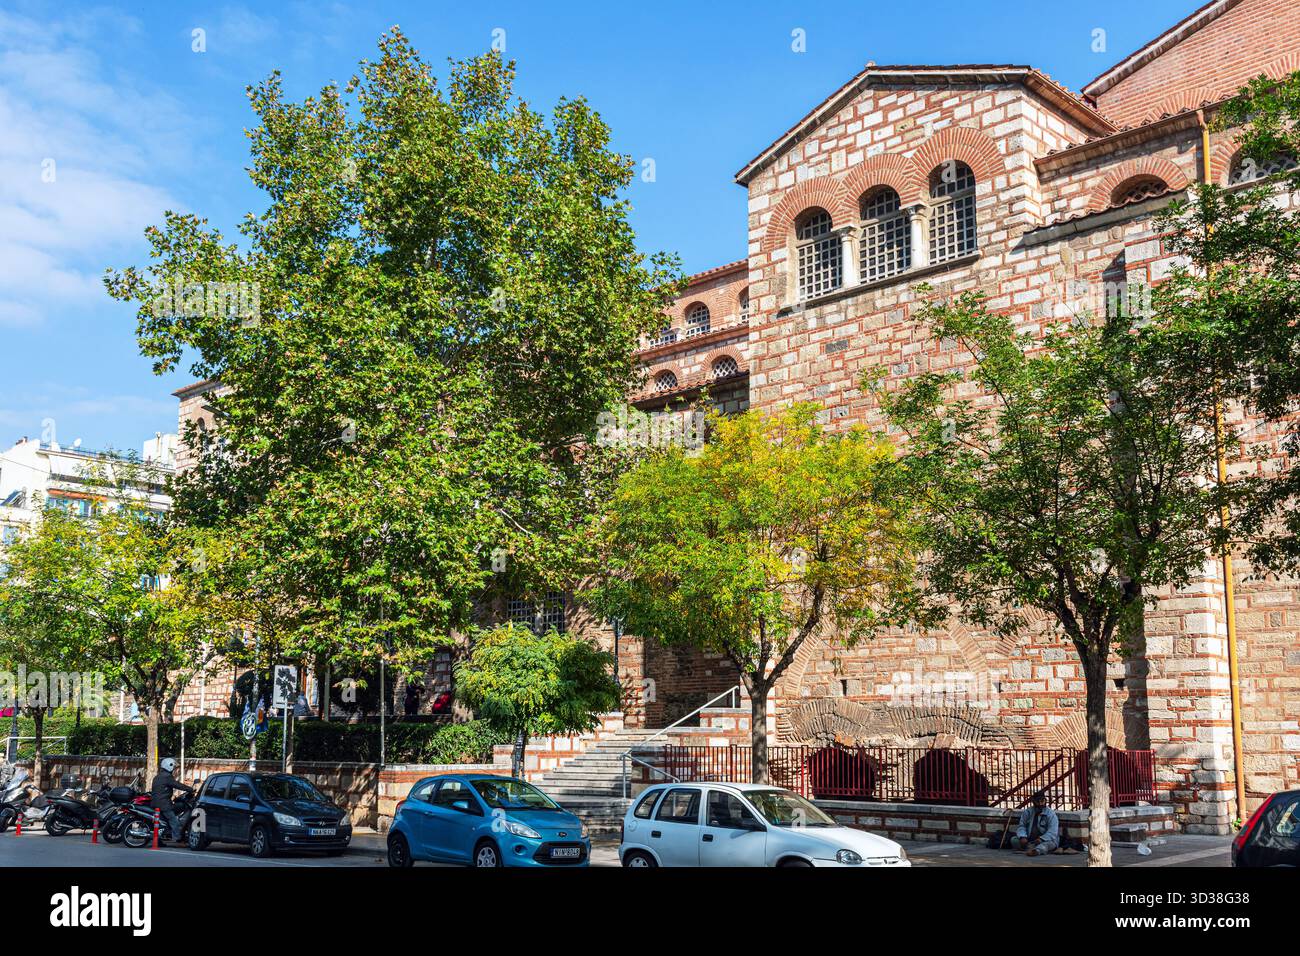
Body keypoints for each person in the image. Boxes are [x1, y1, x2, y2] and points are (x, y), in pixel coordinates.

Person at [150, 757, 195, 844]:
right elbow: (177, 785)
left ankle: (159, 840)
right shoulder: (167, 777)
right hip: (163, 804)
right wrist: (190, 789)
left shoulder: (158, 776)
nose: (174, 769)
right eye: (173, 767)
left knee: (161, 823)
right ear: (169, 766)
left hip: (155, 803)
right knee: (174, 821)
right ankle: (178, 838)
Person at [1015, 791, 1060, 857]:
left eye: (1042, 801)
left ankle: (1036, 851)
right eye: (1038, 801)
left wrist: (1041, 839)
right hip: (1030, 839)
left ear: (1045, 801)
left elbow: (1053, 832)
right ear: (1033, 802)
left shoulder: (1051, 814)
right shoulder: (1028, 812)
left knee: (1046, 845)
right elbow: (1022, 826)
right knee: (1014, 840)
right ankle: (1029, 847)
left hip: (1046, 840)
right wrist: (1023, 836)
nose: (1040, 803)